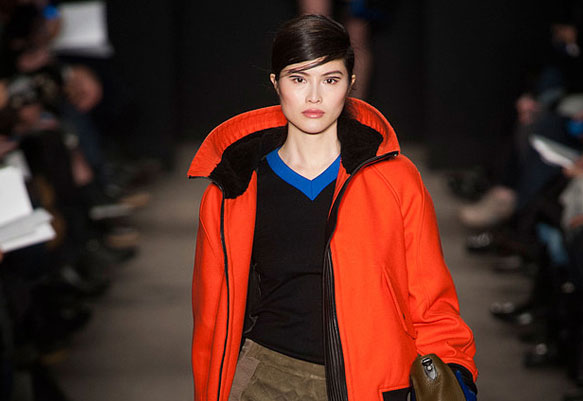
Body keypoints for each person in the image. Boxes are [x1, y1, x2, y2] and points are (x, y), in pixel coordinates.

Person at [188, 15, 477, 401]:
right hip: (265, 378)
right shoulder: (233, 190)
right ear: (275, 83)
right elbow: (211, 318)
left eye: (330, 79)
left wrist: (454, 372)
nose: (314, 97)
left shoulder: (396, 181)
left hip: (373, 380)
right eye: (298, 78)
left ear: (351, 84)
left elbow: (430, 301)